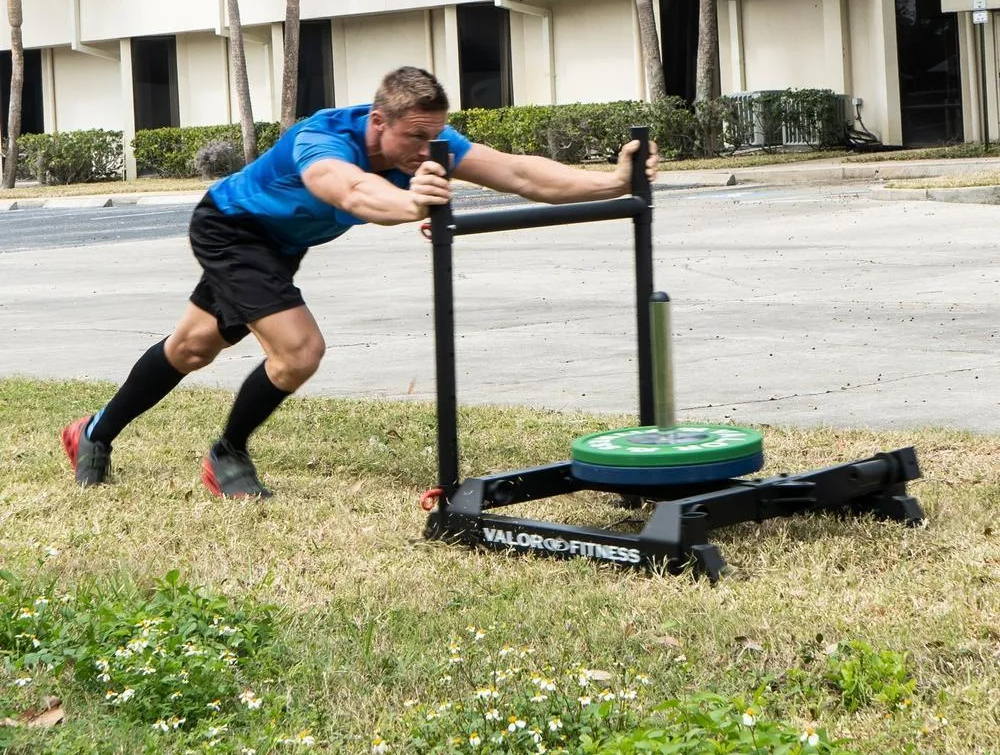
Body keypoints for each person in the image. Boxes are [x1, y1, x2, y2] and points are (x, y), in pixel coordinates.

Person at [62, 66, 659, 498]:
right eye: (415, 138)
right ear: (379, 122)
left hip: (279, 246)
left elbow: (519, 173)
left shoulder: (427, 143)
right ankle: (227, 454)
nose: (427, 150)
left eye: (434, 138)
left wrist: (614, 181)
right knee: (300, 352)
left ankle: (92, 431)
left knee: (192, 347)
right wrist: (413, 206)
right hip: (231, 229)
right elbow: (346, 189)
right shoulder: (321, 138)